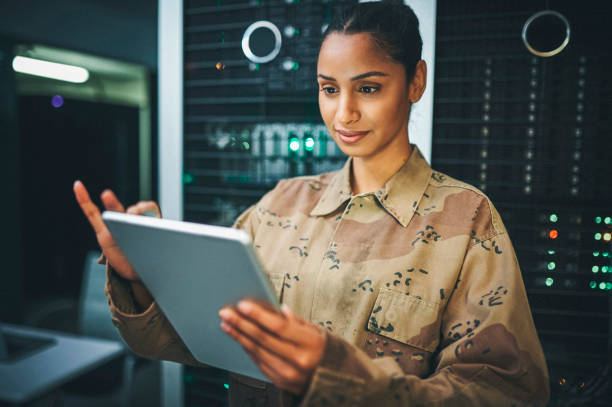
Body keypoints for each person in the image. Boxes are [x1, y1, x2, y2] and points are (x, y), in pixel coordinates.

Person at [74, 1, 550, 405]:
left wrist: (343, 378)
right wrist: (143, 279)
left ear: (415, 82)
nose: (343, 113)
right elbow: (200, 338)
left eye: (368, 88)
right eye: (329, 89)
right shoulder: (282, 204)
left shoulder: (467, 218)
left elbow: (506, 391)